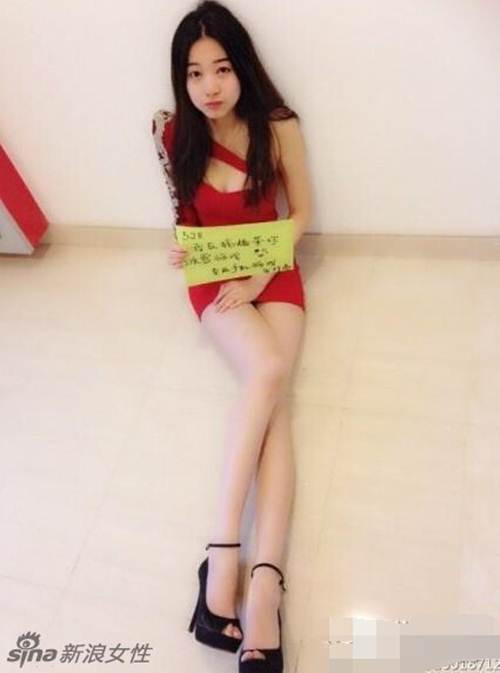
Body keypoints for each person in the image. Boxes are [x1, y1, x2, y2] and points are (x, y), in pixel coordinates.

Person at [159, 2, 313, 670]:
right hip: (213, 276)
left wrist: (261, 275)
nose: (209, 86)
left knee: (274, 398)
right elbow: (188, 220)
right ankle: (232, 557)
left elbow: (301, 213)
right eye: (194, 73)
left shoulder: (278, 127)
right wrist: (182, 248)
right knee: (269, 374)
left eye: (221, 68)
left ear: (242, 67)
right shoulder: (175, 133)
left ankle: (257, 579)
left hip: (272, 267)